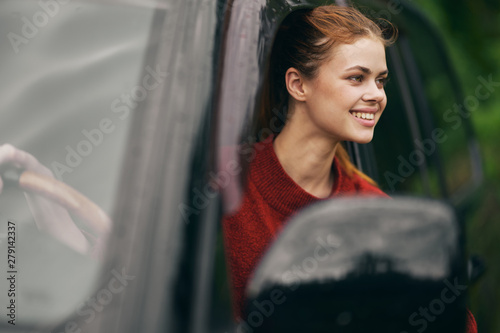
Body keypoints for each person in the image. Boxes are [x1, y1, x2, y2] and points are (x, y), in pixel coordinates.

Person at [221, 5, 478, 333]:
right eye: (357, 78)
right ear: (298, 85)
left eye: (381, 81)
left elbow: (457, 323)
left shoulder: (378, 215)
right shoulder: (221, 180)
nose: (376, 95)